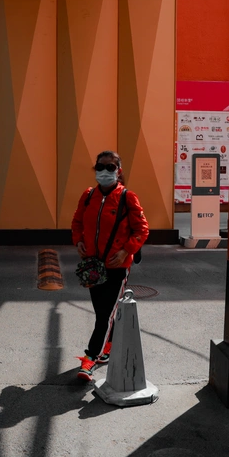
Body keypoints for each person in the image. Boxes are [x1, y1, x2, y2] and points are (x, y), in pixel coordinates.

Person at [71, 150, 149, 381]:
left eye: (110, 167)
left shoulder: (127, 197)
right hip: (93, 266)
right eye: (100, 167)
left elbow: (142, 229)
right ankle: (108, 347)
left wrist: (126, 250)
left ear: (119, 171)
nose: (105, 171)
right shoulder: (88, 196)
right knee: (102, 312)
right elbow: (77, 222)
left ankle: (90, 358)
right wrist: (78, 241)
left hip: (117, 266)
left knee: (105, 314)